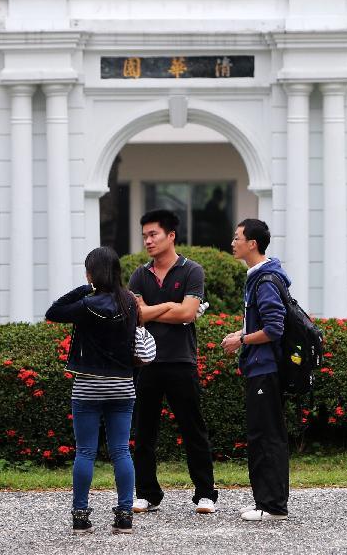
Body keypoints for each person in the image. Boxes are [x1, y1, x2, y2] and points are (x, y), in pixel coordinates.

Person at [46, 246, 155, 535]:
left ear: (92, 273)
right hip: (122, 385)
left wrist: (85, 288)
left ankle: (80, 515)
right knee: (121, 451)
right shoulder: (131, 303)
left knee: (85, 452)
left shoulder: (87, 304)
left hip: (88, 387)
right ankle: (124, 516)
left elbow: (53, 312)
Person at [128, 209, 218, 514]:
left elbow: (188, 313)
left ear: (171, 236)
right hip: (147, 363)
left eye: (153, 234)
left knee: (193, 430)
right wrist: (169, 305)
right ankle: (147, 494)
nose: (148, 241)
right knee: (143, 433)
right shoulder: (140, 274)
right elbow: (135, 315)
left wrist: (154, 309)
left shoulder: (192, 271)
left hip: (181, 361)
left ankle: (205, 493)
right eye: (145, 236)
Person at [221, 218, 290, 521]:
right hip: (260, 367)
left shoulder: (264, 280)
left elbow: (274, 328)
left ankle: (272, 506)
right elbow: (263, 323)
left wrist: (243, 341)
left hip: (265, 368)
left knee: (266, 436)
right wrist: (242, 335)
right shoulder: (258, 277)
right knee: (261, 434)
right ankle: (265, 501)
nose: (233, 243)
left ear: (252, 244)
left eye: (237, 238)